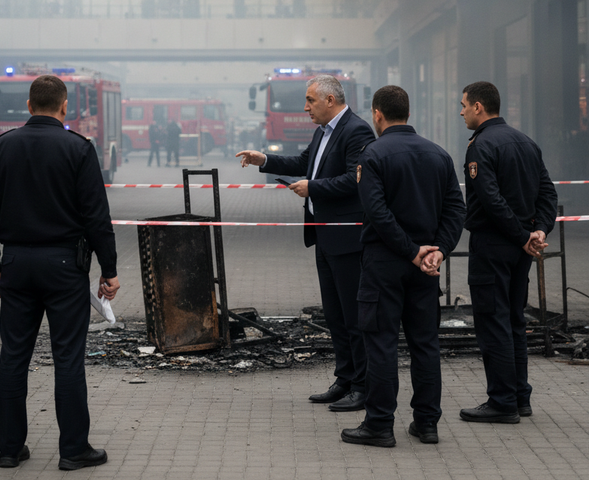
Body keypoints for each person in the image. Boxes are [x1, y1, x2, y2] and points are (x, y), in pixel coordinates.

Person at [0, 75, 120, 470]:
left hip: (17, 264)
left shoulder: (0, 148)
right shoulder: (78, 149)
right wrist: (109, 269)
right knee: (68, 358)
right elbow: (96, 216)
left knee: (14, 356)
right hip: (64, 268)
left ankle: (9, 449)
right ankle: (74, 450)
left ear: (27, 105)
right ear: (64, 107)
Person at [236, 74, 375, 412]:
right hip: (324, 236)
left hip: (346, 238)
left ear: (330, 100)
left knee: (354, 316)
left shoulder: (356, 131)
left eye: (311, 100)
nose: (305, 107)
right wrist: (264, 160)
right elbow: (303, 163)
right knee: (335, 314)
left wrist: (313, 188)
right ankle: (344, 378)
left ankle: (363, 385)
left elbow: (353, 181)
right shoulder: (323, 132)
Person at [340, 86, 466, 447]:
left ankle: (379, 425)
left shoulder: (373, 155)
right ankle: (427, 424)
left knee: (381, 344)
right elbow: (456, 209)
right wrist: (437, 251)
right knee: (425, 344)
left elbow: (377, 214)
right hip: (426, 268)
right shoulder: (439, 155)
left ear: (377, 114)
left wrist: (411, 251)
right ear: (407, 113)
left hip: (385, 264)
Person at [458, 81, 558, 424]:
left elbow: (489, 199)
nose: (461, 112)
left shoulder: (481, 146)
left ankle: (501, 402)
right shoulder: (526, 142)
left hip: (494, 245)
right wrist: (538, 232)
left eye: (464, 105)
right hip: (521, 249)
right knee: (515, 319)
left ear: (479, 107)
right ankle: (519, 396)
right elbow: (547, 194)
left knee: (493, 321)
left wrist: (521, 236)